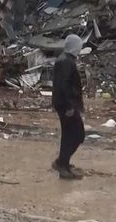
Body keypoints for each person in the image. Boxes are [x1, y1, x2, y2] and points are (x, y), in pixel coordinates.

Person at [52, 34, 85, 180]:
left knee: (69, 135)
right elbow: (63, 86)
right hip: (66, 105)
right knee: (77, 134)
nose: (80, 48)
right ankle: (62, 164)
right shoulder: (66, 61)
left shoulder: (66, 59)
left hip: (65, 104)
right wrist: (70, 106)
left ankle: (63, 162)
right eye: (79, 45)